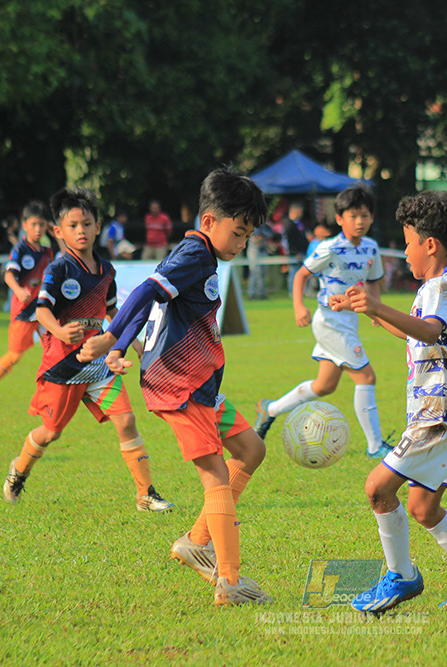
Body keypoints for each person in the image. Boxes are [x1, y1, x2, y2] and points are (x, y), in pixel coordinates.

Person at [78, 168, 272, 607]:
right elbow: (145, 291)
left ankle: (196, 542)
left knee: (251, 450)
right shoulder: (194, 253)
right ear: (209, 222)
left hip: (201, 384)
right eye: (238, 233)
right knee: (216, 474)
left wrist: (119, 340)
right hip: (180, 384)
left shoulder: (204, 255)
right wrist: (115, 338)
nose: (241, 245)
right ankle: (229, 581)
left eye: (247, 237)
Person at [328, 190, 447, 612]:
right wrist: (369, 311)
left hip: (439, 414)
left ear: (430, 245)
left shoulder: (443, 286)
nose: (405, 252)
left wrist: (376, 304)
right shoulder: (436, 286)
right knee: (423, 508)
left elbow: (428, 331)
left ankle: (401, 577)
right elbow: (418, 331)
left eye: (409, 242)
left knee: (377, 489)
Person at [0, 188, 173, 514]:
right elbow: (42, 311)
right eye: (73, 225)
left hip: (97, 365)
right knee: (50, 432)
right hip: (64, 365)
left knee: (126, 421)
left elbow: (112, 312)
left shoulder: (107, 271)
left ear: (97, 227)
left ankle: (144, 494)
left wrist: (131, 341)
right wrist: (60, 330)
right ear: (59, 232)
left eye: (87, 223)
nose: (81, 230)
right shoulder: (59, 269)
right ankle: (19, 469)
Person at [255, 187, 391, 458]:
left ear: (372, 217)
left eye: (365, 215)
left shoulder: (371, 248)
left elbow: (374, 282)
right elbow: (301, 275)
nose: (360, 221)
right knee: (366, 377)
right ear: (340, 218)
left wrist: (376, 310)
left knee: (324, 385)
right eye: (353, 216)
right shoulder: (329, 248)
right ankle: (376, 447)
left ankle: (269, 409)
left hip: (349, 322)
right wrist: (298, 307)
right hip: (330, 321)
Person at [0, 203, 56, 409]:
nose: (38, 229)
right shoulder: (20, 249)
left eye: (42, 225)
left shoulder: (48, 252)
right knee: (14, 356)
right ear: (25, 225)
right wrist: (18, 290)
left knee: (55, 351)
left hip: (44, 310)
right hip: (24, 311)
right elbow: (9, 274)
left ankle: (48, 398)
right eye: (34, 224)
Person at [245, 219, 274, 300]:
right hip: (254, 251)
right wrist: (262, 238)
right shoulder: (253, 225)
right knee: (254, 272)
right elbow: (255, 238)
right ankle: (252, 293)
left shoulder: (266, 227)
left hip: (263, 251)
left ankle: (262, 293)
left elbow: (269, 235)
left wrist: (262, 238)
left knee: (263, 273)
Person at [283, 200, 309, 291]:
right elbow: (287, 241)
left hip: (301, 252)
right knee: (294, 273)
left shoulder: (298, 223)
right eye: (300, 211)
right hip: (294, 253)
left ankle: (301, 291)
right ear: (295, 210)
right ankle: (293, 292)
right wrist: (294, 252)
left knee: (301, 273)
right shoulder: (288, 224)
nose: (301, 213)